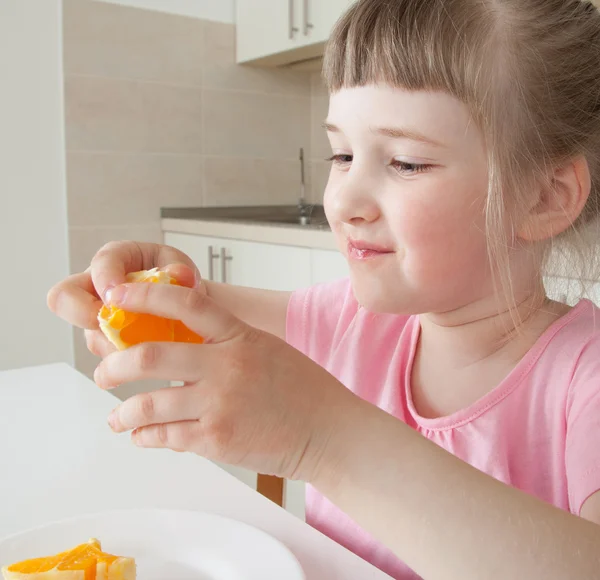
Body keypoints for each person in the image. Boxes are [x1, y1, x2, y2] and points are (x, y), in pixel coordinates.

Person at [48, 0, 600, 578]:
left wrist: (329, 439)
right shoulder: (348, 323)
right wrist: (139, 287)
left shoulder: (583, 381)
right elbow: (198, 311)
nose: (341, 201)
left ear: (544, 197)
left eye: (406, 163)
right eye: (343, 154)